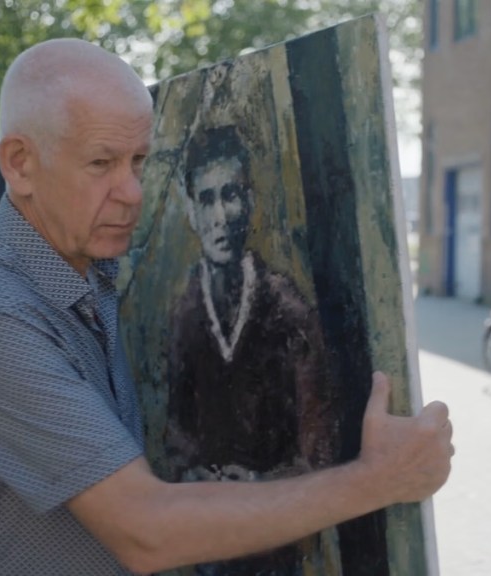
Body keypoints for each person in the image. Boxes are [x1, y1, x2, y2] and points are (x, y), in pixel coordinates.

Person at [0, 37, 453, 576]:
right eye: (101, 163)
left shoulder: (96, 273)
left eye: (138, 161)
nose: (133, 192)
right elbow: (145, 530)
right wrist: (381, 479)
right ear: (19, 164)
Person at [166, 126, 339, 574]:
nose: (220, 216)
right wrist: (193, 476)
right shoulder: (185, 315)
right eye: (206, 199)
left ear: (250, 202)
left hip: (276, 542)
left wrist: (262, 483)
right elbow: (178, 433)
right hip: (208, 543)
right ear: (191, 211)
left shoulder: (287, 309)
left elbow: (319, 445)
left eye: (230, 195)